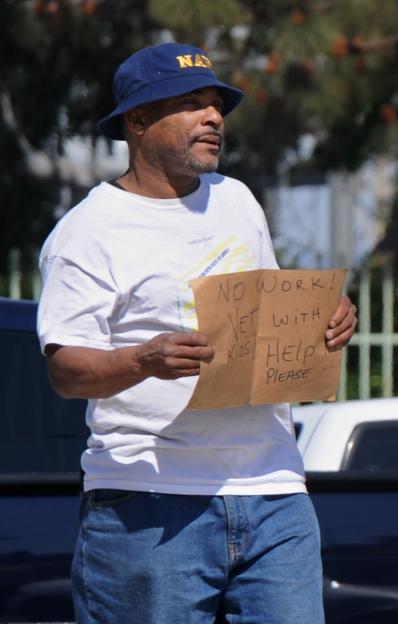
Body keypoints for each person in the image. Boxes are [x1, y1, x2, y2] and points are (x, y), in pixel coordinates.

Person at [37, 42, 357, 624]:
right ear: (137, 121)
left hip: (274, 491)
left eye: (217, 106)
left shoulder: (236, 200)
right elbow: (65, 370)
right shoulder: (88, 230)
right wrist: (144, 360)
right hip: (149, 502)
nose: (214, 118)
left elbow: (268, 313)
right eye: (191, 104)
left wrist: (325, 320)